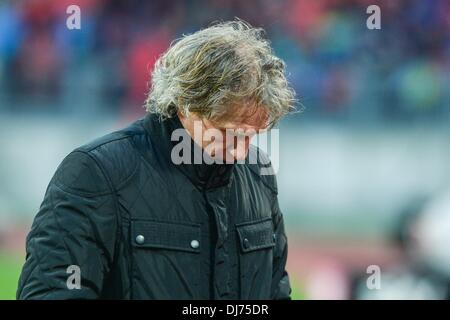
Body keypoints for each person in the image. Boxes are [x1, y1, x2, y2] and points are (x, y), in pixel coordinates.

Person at [17, 20, 296, 300]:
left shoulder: (258, 175)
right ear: (186, 104)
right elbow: (52, 292)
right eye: (226, 133)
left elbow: (276, 292)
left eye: (252, 136)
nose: (239, 152)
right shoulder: (97, 172)